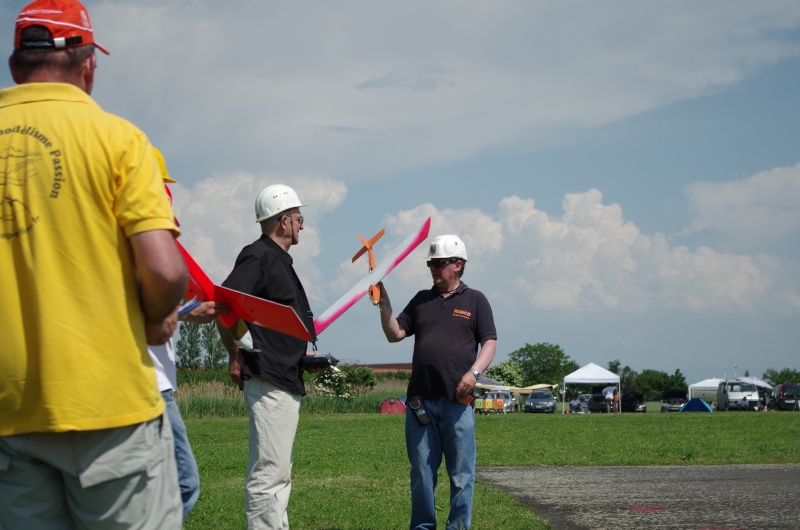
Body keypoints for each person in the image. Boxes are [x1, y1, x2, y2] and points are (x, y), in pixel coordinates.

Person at [0, 1, 187, 527]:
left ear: (16, 64)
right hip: (108, 407)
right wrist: (156, 317)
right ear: (87, 65)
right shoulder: (119, 139)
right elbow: (165, 269)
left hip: (9, 412)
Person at [377, 234, 497, 530]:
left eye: (439, 263)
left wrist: (474, 373)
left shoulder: (476, 300)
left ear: (458, 265)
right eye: (430, 263)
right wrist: (384, 303)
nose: (433, 268)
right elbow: (395, 334)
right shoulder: (421, 299)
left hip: (458, 405)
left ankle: (457, 527)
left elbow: (490, 342)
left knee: (461, 475)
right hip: (421, 405)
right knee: (421, 474)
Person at [217, 184, 317, 529]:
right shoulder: (258, 256)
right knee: (269, 474)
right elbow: (225, 304)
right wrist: (235, 355)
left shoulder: (277, 260)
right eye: (300, 219)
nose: (302, 225)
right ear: (284, 221)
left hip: (284, 378)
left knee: (279, 472)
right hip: (269, 379)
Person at [149, 147, 230, 520]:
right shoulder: (138, 239)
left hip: (158, 380)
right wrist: (183, 311)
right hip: (150, 384)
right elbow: (141, 314)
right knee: (183, 483)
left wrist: (190, 312)